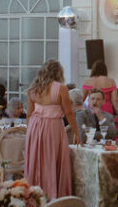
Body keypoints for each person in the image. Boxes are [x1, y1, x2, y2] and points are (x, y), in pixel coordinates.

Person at [24, 59, 80, 198]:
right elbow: (69, 113)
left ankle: (34, 194)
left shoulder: (33, 89)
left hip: (35, 126)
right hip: (52, 126)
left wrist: (30, 133)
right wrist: (77, 133)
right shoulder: (61, 88)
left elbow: (29, 114)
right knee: (52, 159)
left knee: (37, 160)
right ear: (58, 73)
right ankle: (54, 194)